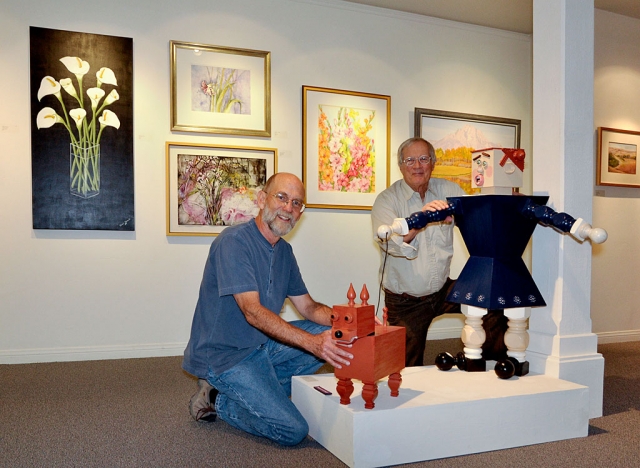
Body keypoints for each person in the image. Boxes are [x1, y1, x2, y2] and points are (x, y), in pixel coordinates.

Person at [182, 172, 353, 446]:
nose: (289, 208)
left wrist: (352, 323)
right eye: (282, 197)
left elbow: (308, 307)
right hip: (224, 357)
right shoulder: (234, 242)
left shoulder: (284, 251)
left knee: (332, 332)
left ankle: (258, 389)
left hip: (261, 347)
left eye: (297, 203)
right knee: (293, 430)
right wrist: (311, 344)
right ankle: (217, 400)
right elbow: (251, 311)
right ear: (262, 199)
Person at [371, 137, 507, 367]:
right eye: (410, 160)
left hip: (442, 290)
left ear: (433, 163)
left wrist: (508, 201)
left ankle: (489, 366)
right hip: (406, 301)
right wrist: (419, 220)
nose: (417, 165)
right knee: (404, 371)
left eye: (423, 159)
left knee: (492, 300)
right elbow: (388, 242)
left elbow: (480, 218)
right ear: (401, 165)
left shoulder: (450, 191)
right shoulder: (386, 200)